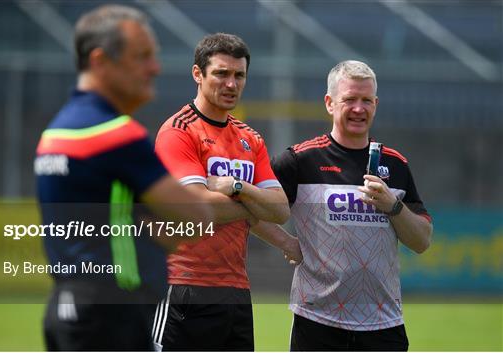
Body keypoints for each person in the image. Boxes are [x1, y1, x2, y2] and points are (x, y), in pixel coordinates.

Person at [34, 5, 213, 351]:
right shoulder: (115, 135)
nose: (155, 68)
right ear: (101, 61)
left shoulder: (55, 132)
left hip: (68, 304)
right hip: (112, 314)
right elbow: (197, 216)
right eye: (142, 57)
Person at [257, 60, 433, 351]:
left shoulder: (396, 164)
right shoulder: (300, 160)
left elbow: (422, 241)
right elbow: (251, 209)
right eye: (350, 99)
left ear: (376, 104)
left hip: (383, 325)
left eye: (366, 100)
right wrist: (285, 242)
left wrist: (393, 206)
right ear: (329, 103)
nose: (359, 109)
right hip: (317, 323)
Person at [153, 33, 301, 351]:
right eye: (221, 73)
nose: (231, 84)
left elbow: (279, 210)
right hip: (184, 285)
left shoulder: (251, 139)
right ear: (198, 74)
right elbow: (197, 207)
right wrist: (253, 203)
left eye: (239, 75)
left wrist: (238, 188)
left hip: (236, 291)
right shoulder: (178, 131)